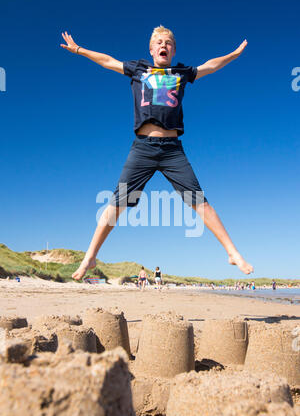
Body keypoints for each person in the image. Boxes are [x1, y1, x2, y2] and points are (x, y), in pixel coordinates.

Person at [60, 26, 254, 281]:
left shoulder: (182, 72)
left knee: (199, 201)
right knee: (117, 203)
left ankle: (232, 252)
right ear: (151, 50)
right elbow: (108, 61)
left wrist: (233, 55)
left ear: (173, 50)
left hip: (173, 150)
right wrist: (79, 50)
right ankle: (90, 257)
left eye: (168, 43)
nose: (163, 45)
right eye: (158, 43)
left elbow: (210, 66)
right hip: (143, 147)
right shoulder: (138, 69)